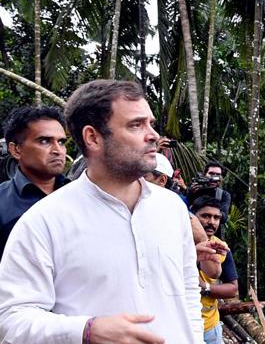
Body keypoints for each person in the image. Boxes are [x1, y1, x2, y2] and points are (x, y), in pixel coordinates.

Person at [0, 80, 203, 343]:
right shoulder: (44, 220)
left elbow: (187, 293)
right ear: (93, 137)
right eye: (135, 125)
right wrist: (85, 330)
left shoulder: (172, 207)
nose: (152, 134)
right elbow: (10, 319)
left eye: (150, 123)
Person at [0, 106, 69, 260]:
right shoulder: (2, 202)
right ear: (16, 150)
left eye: (61, 142)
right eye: (44, 141)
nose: (58, 150)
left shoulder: (81, 196)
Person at [144, 153, 226, 279]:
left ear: (162, 180)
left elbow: (214, 271)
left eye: (144, 176)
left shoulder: (179, 212)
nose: (137, 182)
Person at [190, 196, 239, 344]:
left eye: (216, 217)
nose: (211, 222)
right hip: (182, 325)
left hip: (209, 328)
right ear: (192, 217)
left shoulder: (221, 248)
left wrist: (205, 287)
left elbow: (233, 289)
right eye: (205, 216)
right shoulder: (176, 244)